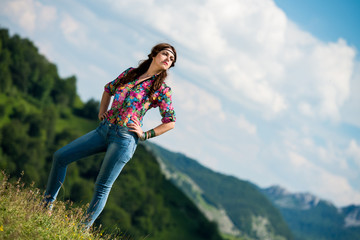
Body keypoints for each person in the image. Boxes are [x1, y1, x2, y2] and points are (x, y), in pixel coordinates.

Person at [43, 43, 177, 229]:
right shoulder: (131, 73)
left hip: (125, 139)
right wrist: (102, 111)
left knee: (102, 186)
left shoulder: (161, 90)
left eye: (171, 60)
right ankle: (45, 206)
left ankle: (81, 230)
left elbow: (170, 121)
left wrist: (145, 134)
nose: (168, 59)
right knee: (60, 157)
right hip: (104, 130)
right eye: (165, 54)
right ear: (154, 55)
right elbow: (108, 89)